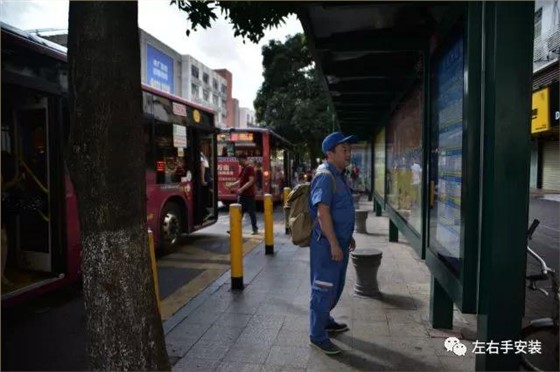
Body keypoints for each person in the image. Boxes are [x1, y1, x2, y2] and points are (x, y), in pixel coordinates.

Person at [308, 131, 357, 355]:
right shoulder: (326, 177)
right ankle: (317, 335)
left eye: (349, 149)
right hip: (327, 245)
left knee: (333, 286)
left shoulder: (338, 175)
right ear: (330, 153)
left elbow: (340, 210)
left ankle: (325, 320)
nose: (348, 153)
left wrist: (348, 236)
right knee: (324, 288)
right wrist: (335, 244)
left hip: (339, 242)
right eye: (343, 150)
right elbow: (323, 213)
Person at [227, 153, 258, 235]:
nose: (238, 162)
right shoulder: (244, 168)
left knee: (251, 213)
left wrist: (241, 189)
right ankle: (234, 228)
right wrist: (232, 185)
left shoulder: (250, 168)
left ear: (244, 159)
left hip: (249, 195)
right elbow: (240, 180)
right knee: (238, 213)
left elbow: (251, 181)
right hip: (242, 195)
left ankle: (255, 229)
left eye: (239, 160)